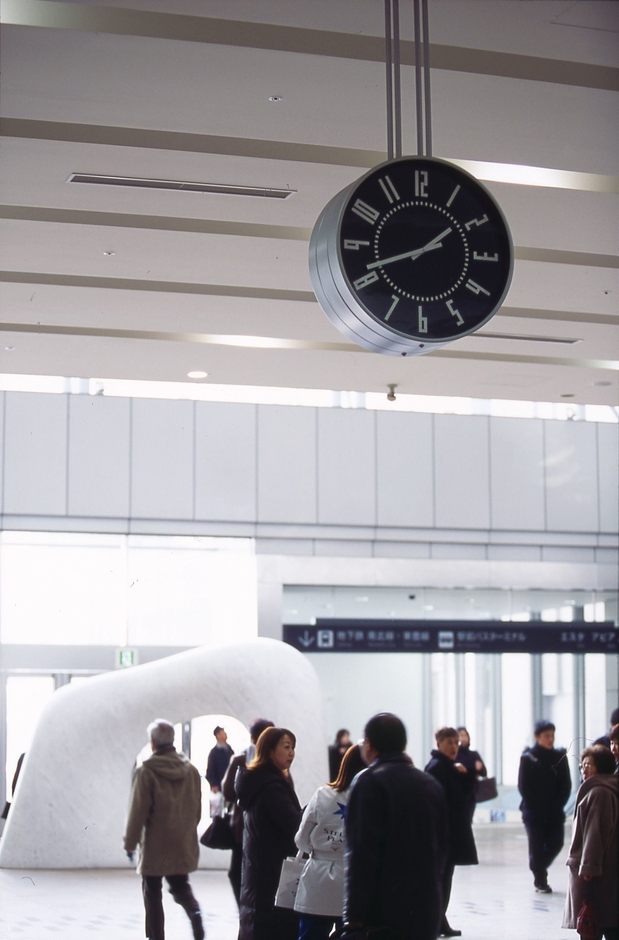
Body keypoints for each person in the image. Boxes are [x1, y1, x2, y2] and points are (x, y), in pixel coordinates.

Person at [343, 713, 448, 940]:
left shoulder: (369, 781)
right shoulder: (430, 783)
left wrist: (354, 912)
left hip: (384, 910)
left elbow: (361, 852)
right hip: (427, 906)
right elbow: (442, 848)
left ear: (369, 744)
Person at [123, 719, 204, 940]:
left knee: (152, 892)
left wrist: (129, 844)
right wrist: (186, 831)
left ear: (153, 743)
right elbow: (196, 809)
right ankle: (194, 913)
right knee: (181, 886)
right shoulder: (191, 770)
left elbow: (137, 811)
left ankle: (155, 937)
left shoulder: (146, 771)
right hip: (181, 842)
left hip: (155, 843)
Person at [294, 744, 366, 940]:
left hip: (318, 878)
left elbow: (300, 839)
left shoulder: (322, 795)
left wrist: (321, 850)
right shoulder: (371, 799)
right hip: (355, 882)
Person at [237, 726, 302, 940]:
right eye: (286, 747)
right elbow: (294, 825)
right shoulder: (272, 786)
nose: (291, 752)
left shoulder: (259, 781)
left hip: (258, 875)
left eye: (293, 747)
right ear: (269, 751)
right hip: (270, 876)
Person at [425, 727, 478, 938]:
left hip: (449, 834)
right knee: (441, 880)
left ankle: (440, 921)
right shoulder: (438, 768)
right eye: (449, 742)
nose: (454, 747)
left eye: (456, 742)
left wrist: (466, 775)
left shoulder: (448, 767)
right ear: (438, 743)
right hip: (443, 835)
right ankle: (436, 922)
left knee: (445, 879)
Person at [562, 745, 619, 940]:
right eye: (582, 766)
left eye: (589, 765)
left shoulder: (599, 792)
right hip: (606, 873)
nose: (584, 770)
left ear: (601, 767)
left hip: (594, 877)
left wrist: (589, 867)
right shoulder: (605, 789)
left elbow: (595, 834)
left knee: (591, 925)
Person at [222, 718, 274, 907]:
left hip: (242, 827)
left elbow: (227, 791)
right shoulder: (275, 762)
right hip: (268, 828)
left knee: (237, 872)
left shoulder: (240, 759)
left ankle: (244, 908)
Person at [518, 719, 572, 894]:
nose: (551, 739)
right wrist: (537, 806)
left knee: (556, 843)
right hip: (534, 812)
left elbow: (566, 785)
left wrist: (557, 804)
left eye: (552, 735)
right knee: (537, 844)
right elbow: (524, 786)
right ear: (537, 737)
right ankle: (540, 879)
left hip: (555, 810)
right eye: (546, 736)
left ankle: (537, 866)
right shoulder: (528, 758)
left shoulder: (559, 756)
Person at [456, 727, 487, 822]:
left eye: (465, 735)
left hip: (471, 794)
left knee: (468, 820)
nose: (463, 738)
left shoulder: (473, 754)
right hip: (458, 793)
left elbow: (484, 772)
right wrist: (473, 771)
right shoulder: (455, 754)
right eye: (460, 736)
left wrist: (479, 768)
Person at [206, 725, 234, 792]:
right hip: (219, 786)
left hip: (230, 785)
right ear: (218, 735)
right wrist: (214, 784)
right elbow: (210, 770)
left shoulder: (230, 750)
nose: (225, 734)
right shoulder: (214, 753)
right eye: (223, 732)